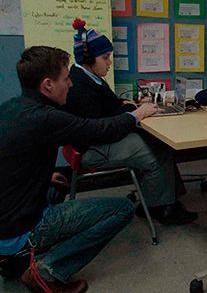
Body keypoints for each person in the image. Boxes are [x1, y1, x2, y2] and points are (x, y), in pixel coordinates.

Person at [0, 46, 159, 292]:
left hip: (5, 218)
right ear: (48, 85)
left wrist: (40, 175)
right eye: (66, 79)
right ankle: (46, 270)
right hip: (20, 227)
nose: (71, 85)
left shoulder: (13, 106)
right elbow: (100, 130)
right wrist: (137, 114)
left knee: (56, 185)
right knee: (122, 209)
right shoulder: (47, 117)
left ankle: (13, 259)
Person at [64, 18, 197, 225]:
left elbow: (105, 109)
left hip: (97, 139)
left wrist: (129, 105)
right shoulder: (79, 88)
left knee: (158, 144)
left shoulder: (89, 77)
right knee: (156, 153)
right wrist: (134, 112)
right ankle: (160, 209)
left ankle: (164, 200)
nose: (109, 62)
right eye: (105, 57)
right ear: (88, 58)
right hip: (93, 149)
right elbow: (102, 127)